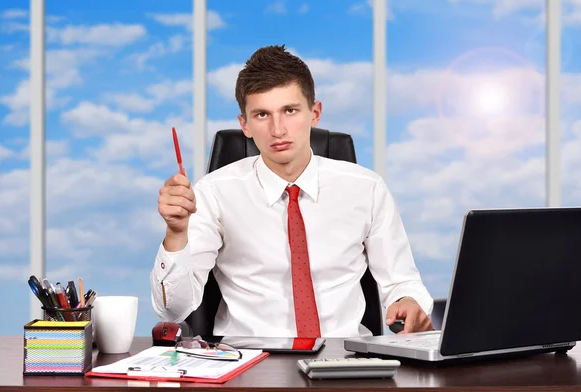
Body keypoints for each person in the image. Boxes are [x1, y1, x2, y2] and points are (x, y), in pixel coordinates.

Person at [151, 44, 434, 337]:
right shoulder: (213, 193)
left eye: (289, 110)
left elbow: (402, 281)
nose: (278, 129)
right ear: (244, 125)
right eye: (262, 115)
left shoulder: (367, 189)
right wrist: (175, 235)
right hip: (248, 361)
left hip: (345, 359)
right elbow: (173, 311)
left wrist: (408, 301)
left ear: (315, 113)